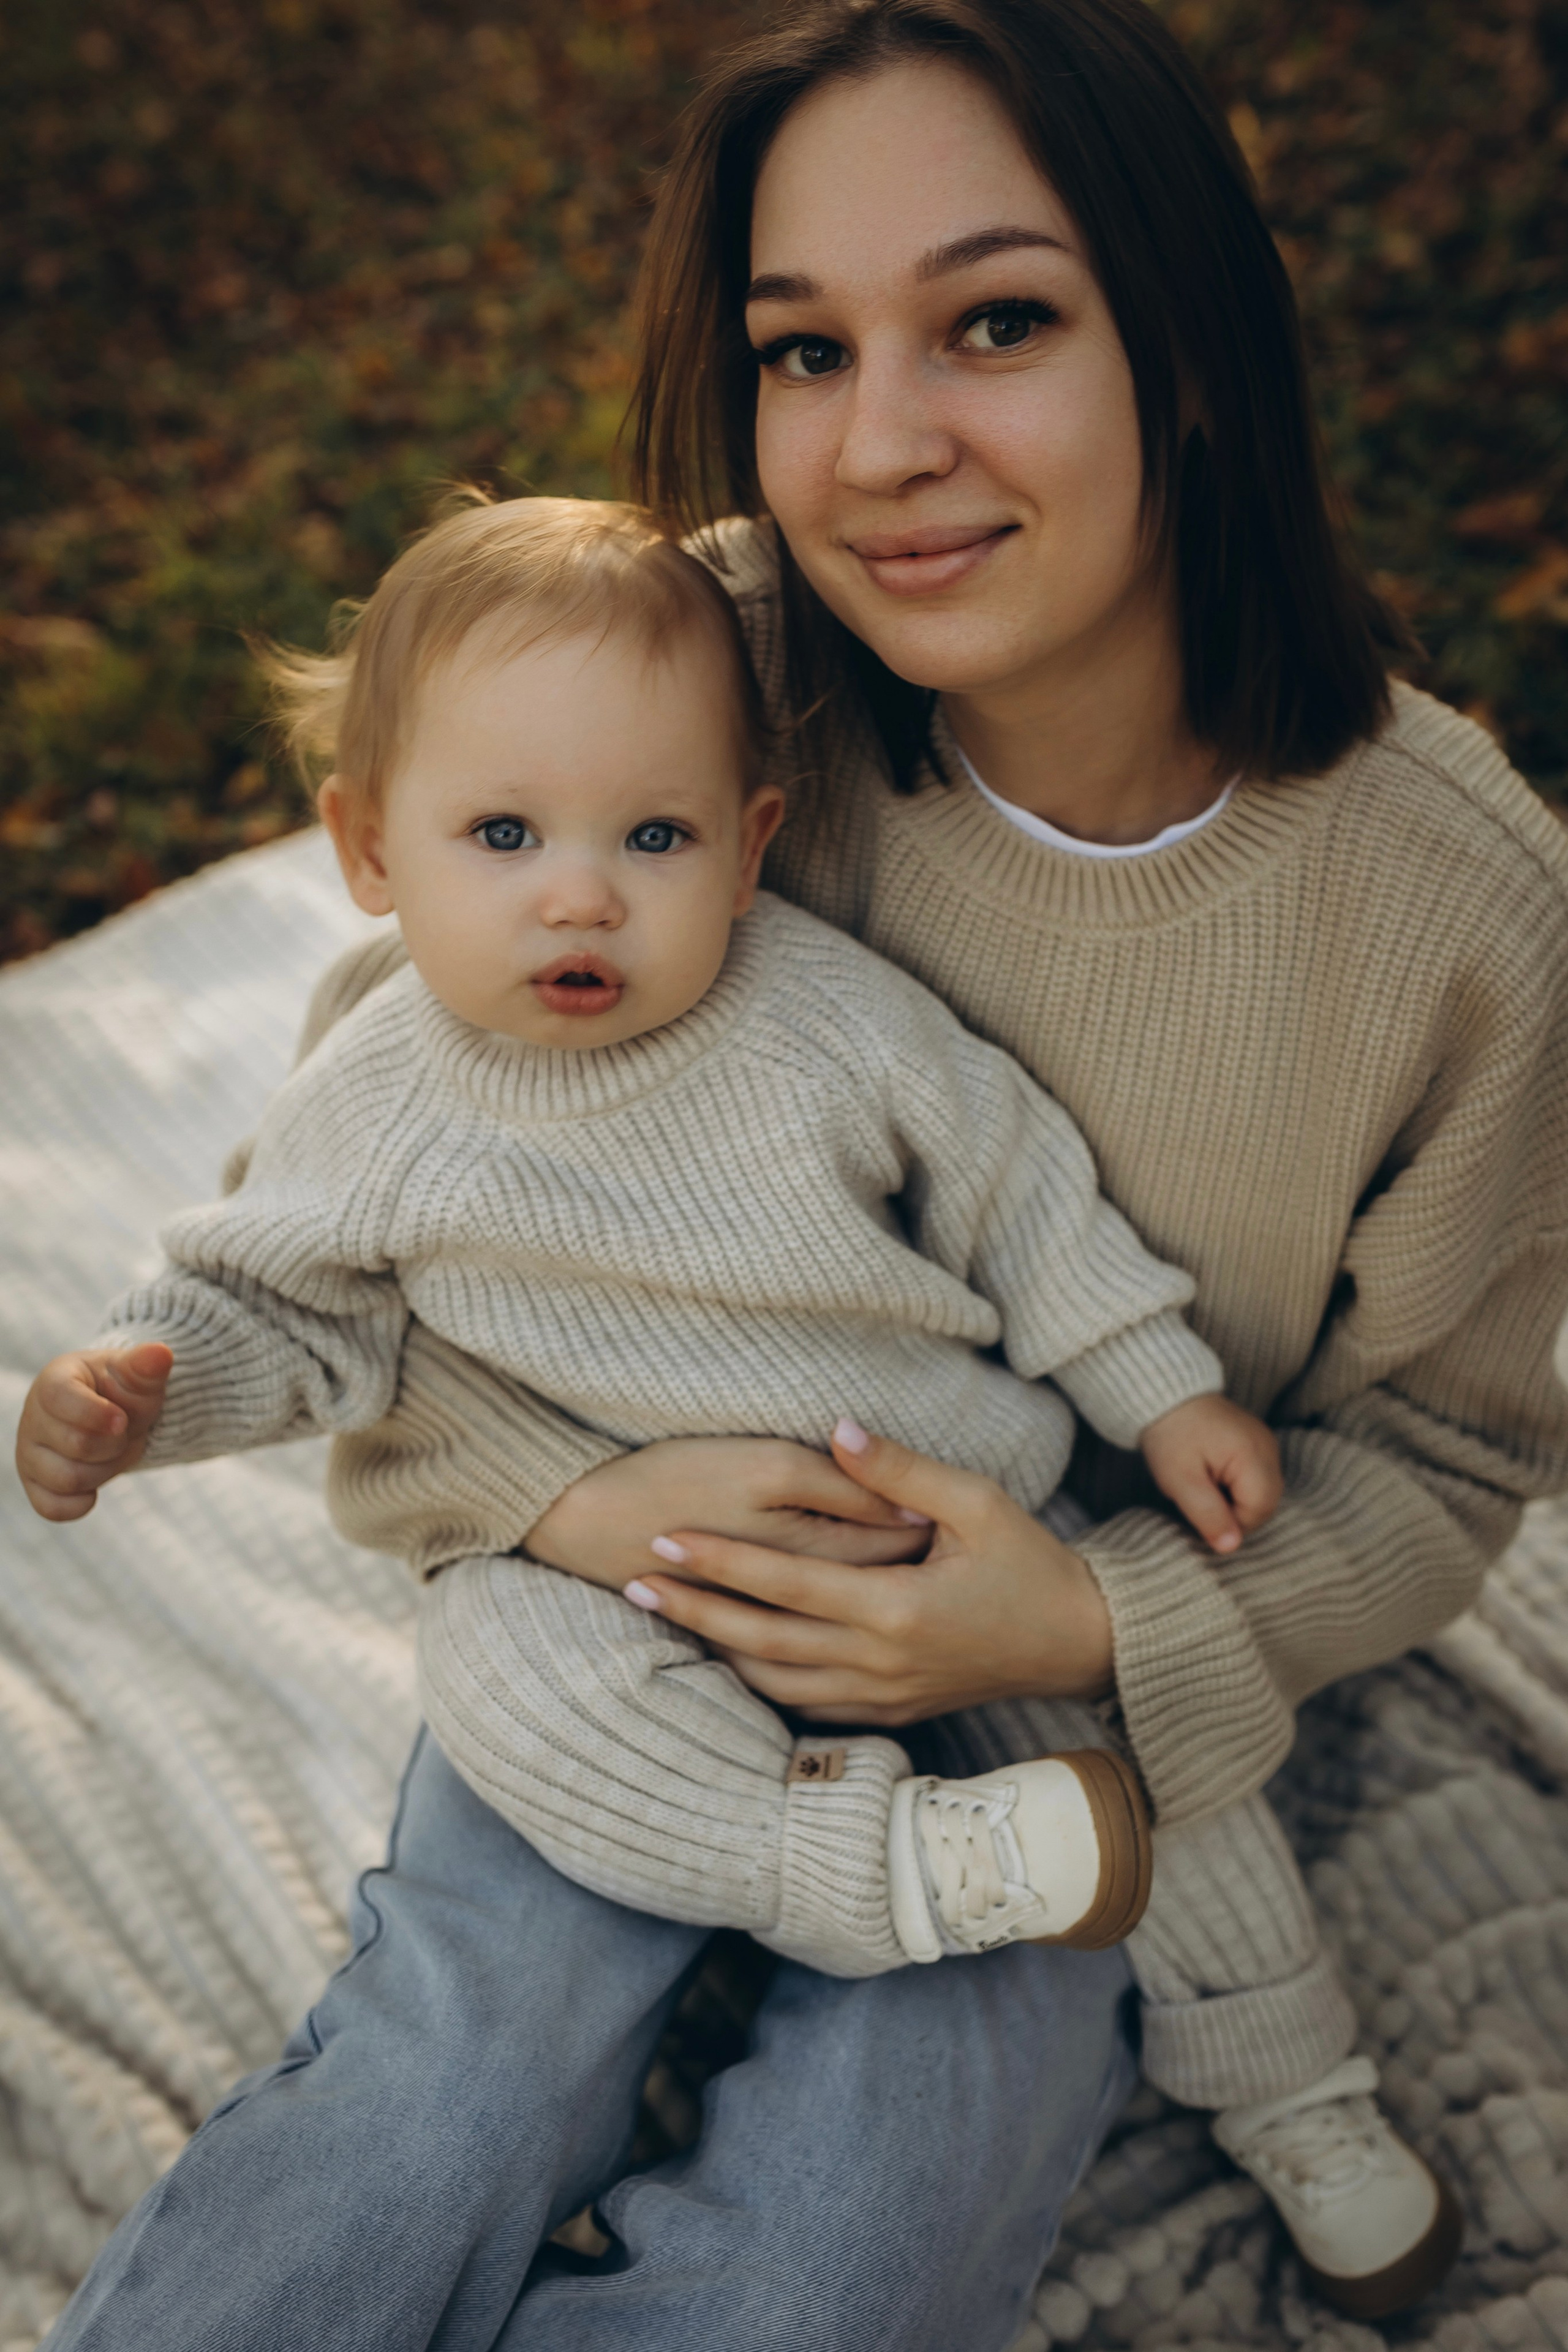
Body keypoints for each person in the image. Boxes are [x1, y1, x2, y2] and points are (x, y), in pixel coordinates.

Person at [21, 0, 1568, 2345]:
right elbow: (413, 1147)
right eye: (800, 348)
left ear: (1192, 351)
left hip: (1056, 1690)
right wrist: (557, 1503)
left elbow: (1441, 1456)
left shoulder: (1462, 914)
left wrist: (1085, 1626)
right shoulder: (715, 672)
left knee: (882, 2217)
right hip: (616, 1591)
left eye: (1000, 322)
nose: (885, 450)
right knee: (456, 2070)